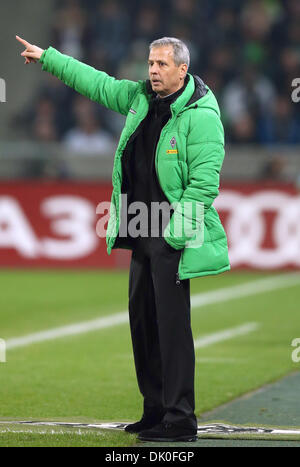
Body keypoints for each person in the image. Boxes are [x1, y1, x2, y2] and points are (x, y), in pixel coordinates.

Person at [16, 35, 230, 442]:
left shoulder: (202, 115)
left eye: (162, 64)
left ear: (182, 70)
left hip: (169, 234)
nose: (152, 70)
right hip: (138, 229)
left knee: (171, 329)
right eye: (150, 63)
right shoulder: (139, 97)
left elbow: (203, 186)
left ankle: (180, 419)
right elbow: (94, 82)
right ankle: (154, 411)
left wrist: (173, 238)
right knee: (143, 326)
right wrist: (49, 58)